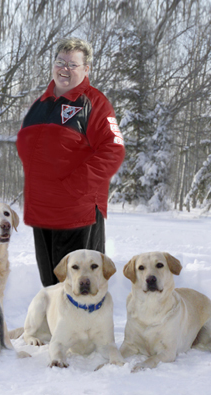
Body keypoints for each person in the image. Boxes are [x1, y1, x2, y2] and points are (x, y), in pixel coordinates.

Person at [16, 38, 125, 287]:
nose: (64, 68)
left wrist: (72, 189)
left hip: (76, 212)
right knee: (52, 287)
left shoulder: (95, 103)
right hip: (42, 210)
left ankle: (84, 328)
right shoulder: (40, 105)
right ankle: (56, 327)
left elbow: (113, 150)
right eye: (60, 62)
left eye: (72, 64)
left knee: (79, 287)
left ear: (86, 70)